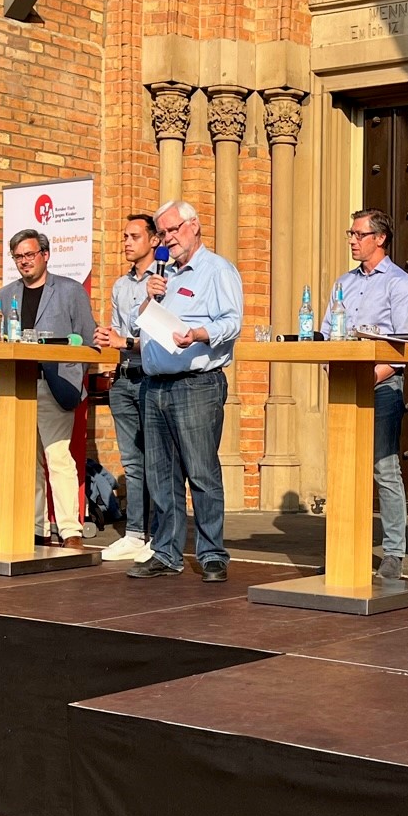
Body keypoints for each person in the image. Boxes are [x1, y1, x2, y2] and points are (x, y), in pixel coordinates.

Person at [130, 200, 242, 583]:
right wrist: (150, 296)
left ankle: (212, 553)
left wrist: (198, 334)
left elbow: (232, 322)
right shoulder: (163, 275)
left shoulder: (217, 270)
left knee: (201, 472)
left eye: (173, 229)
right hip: (155, 384)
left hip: (197, 384)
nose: (168, 238)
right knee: (161, 475)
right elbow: (137, 324)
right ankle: (166, 552)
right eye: (162, 233)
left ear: (194, 226)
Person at [331, 208, 408, 581]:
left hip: (382, 386)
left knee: (383, 468)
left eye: (358, 234)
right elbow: (327, 334)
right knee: (343, 468)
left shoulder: (401, 285)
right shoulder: (343, 282)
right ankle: (344, 548)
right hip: (344, 386)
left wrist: (368, 377)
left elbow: (403, 347)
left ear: (380, 238)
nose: (352, 240)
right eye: (350, 234)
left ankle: (393, 553)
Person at [0, 229, 99, 548]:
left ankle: (70, 531)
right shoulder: (5, 293)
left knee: (57, 457)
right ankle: (35, 528)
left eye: (29, 255)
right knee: (26, 460)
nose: (24, 262)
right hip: (17, 386)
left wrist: (74, 375)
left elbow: (88, 341)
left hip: (55, 385)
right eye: (18, 257)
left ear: (45, 255)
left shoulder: (70, 291)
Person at [92, 213, 159, 563]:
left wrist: (123, 340)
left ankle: (159, 535)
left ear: (153, 240)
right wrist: (107, 339)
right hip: (124, 378)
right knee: (132, 463)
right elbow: (118, 336)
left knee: (158, 461)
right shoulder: (120, 285)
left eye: (134, 236)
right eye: (124, 236)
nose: (127, 242)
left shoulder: (164, 279)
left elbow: (161, 336)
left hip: (153, 378)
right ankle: (134, 534)